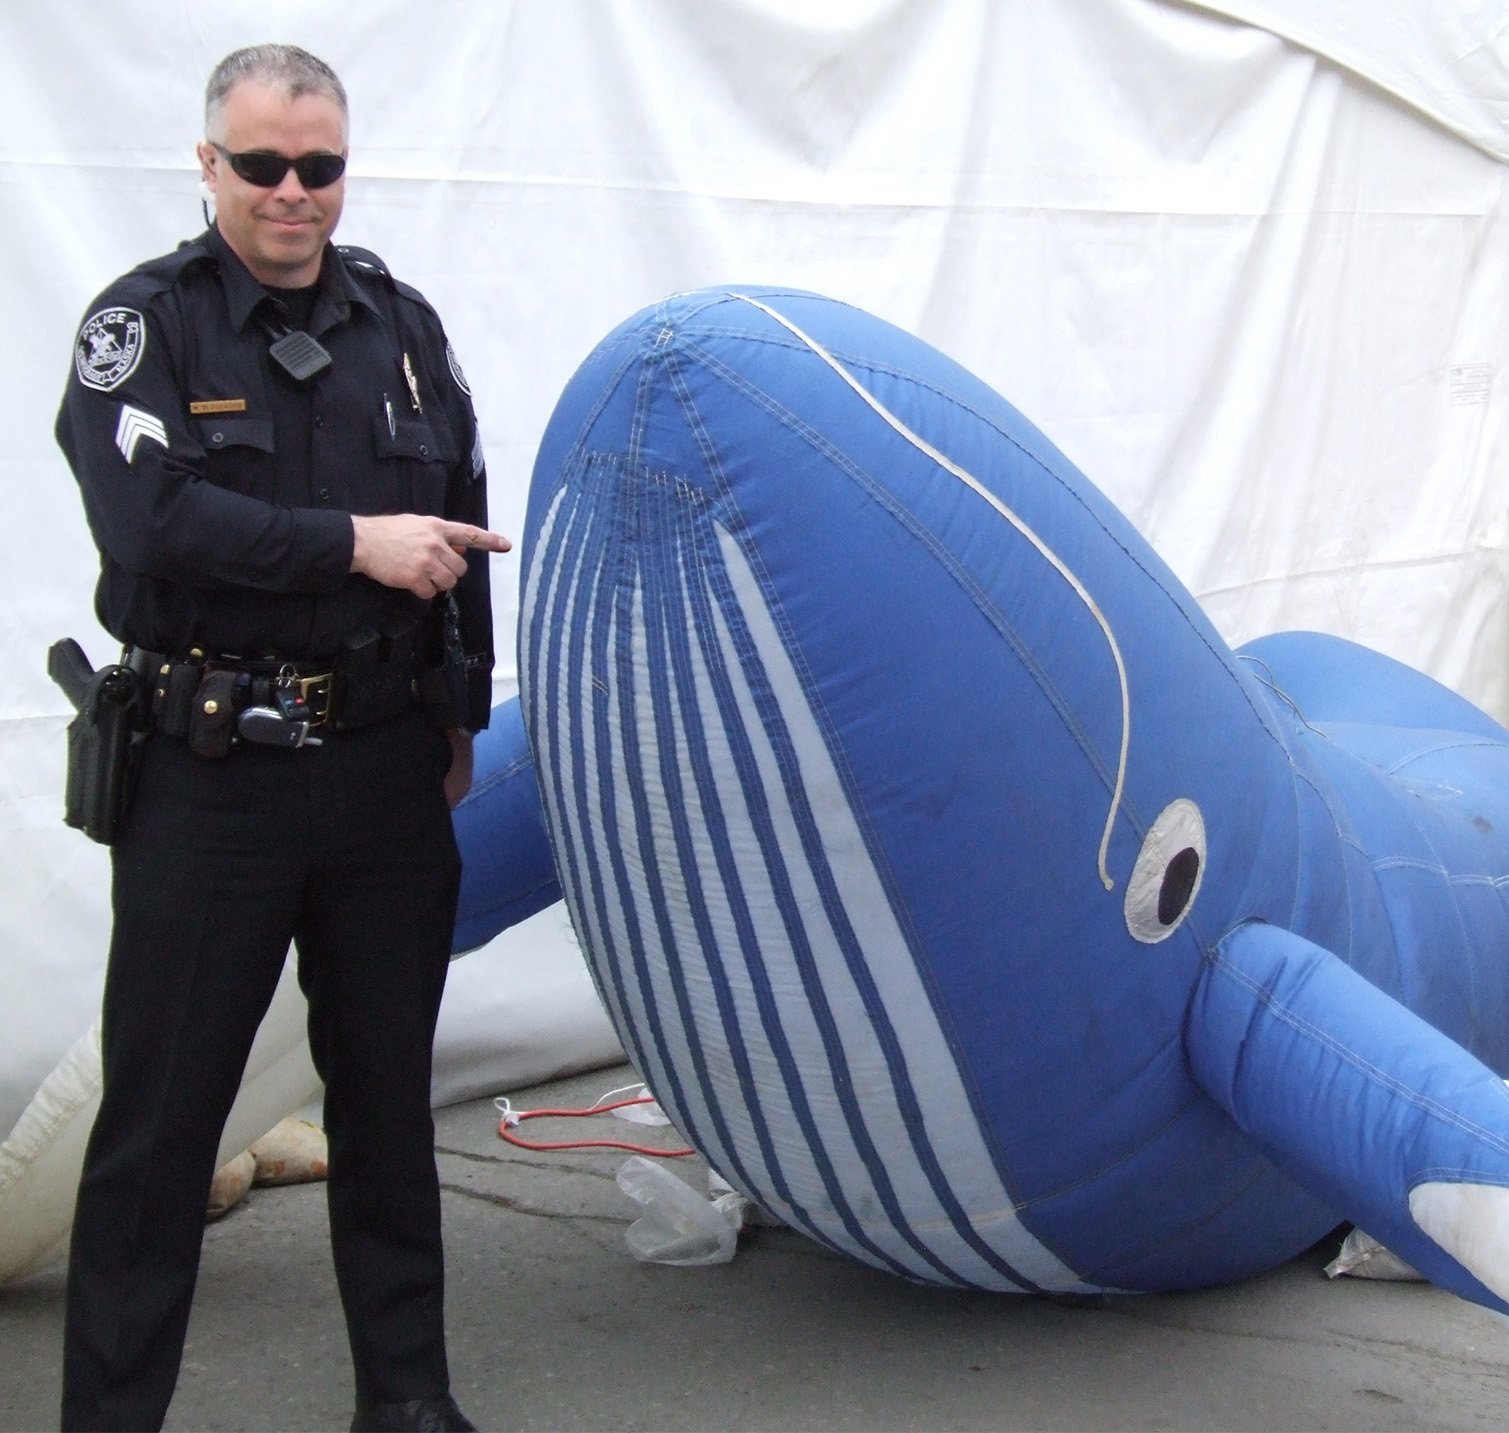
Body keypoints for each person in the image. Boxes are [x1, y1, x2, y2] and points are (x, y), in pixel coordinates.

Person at [54, 44, 505, 1433]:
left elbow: (465, 513)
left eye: (319, 166)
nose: (293, 192)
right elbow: (154, 523)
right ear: (210, 167)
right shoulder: (146, 327)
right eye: (262, 165)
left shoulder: (401, 326)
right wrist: (354, 544)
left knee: (385, 1107)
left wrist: (460, 713)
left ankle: (409, 1398)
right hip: (213, 780)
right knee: (160, 1129)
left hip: (380, 774)